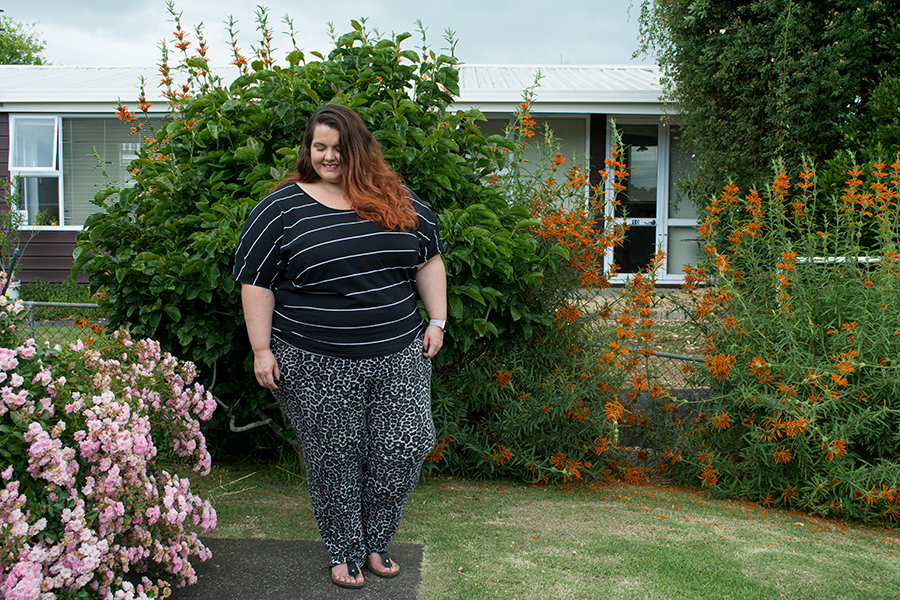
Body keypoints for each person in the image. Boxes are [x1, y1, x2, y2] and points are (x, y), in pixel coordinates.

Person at [232, 104, 447, 589]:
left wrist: (437, 319)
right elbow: (255, 283)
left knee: (407, 441)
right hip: (314, 358)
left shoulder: (394, 197)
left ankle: (376, 539)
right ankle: (346, 549)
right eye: (319, 147)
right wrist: (262, 350)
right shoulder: (281, 208)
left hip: (400, 353)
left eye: (338, 147)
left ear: (357, 149)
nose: (328, 157)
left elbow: (429, 259)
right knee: (335, 453)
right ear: (309, 150)